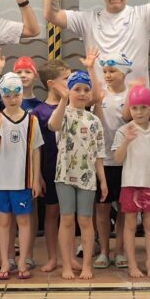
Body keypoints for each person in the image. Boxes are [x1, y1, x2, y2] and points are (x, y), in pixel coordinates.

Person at [48, 71, 108, 280]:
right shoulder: (63, 113)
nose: (82, 93)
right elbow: (53, 126)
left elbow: (99, 154)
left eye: (86, 89)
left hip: (87, 176)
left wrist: (103, 180)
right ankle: (66, 264)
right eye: (77, 89)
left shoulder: (94, 120)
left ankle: (86, 266)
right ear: (69, 91)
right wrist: (63, 100)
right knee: (66, 219)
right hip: (64, 175)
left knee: (85, 220)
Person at [0, 73, 44, 280]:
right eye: (7, 95)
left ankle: (22, 261)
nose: (12, 99)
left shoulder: (32, 120)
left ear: (22, 94)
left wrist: (35, 179)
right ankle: (5, 261)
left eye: (16, 94)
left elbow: (36, 150)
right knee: (3, 222)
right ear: (2, 96)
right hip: (1, 181)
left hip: (23, 181)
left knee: (24, 221)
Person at [112, 85, 150, 278]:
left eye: (143, 107)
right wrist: (127, 141)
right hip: (130, 185)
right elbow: (118, 159)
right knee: (129, 225)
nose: (139, 112)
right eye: (134, 108)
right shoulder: (123, 131)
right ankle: (132, 265)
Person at [32, 59, 73, 273]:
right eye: (66, 79)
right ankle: (52, 257)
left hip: (72, 169)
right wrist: (37, 174)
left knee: (70, 215)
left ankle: (70, 257)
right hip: (50, 169)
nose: (70, 83)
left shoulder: (74, 106)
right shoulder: (38, 112)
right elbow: (35, 147)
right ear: (51, 83)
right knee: (51, 213)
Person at [95, 52, 133, 269]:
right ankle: (103, 251)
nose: (108, 75)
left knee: (123, 208)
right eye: (105, 71)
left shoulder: (131, 95)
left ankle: (119, 250)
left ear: (124, 72)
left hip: (125, 161)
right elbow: (97, 123)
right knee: (102, 208)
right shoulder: (100, 95)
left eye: (112, 71)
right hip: (103, 161)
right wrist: (97, 102)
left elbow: (129, 119)